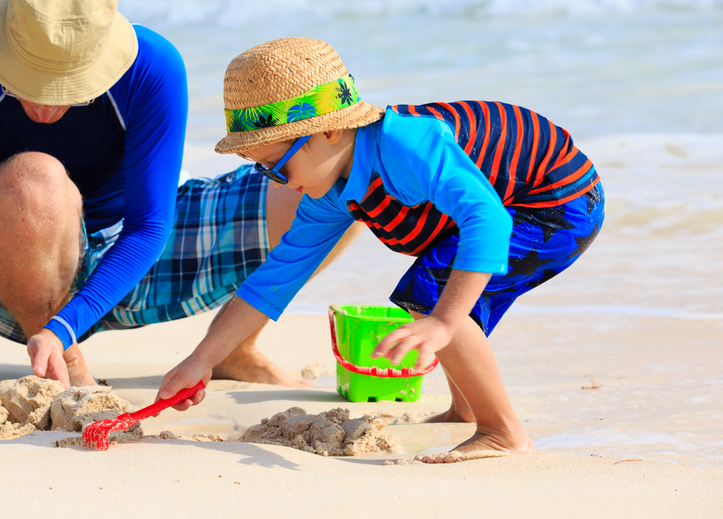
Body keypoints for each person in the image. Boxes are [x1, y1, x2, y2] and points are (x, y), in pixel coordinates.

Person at [0, 0, 356, 424]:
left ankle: (234, 346)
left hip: (130, 259)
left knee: (336, 181)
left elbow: (150, 225)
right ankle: (63, 361)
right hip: (9, 277)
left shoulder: (152, 66)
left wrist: (65, 321)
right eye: (30, 81)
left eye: (68, 87)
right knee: (36, 177)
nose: (46, 108)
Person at [156, 37, 605, 463]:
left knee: (432, 296)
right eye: (264, 170)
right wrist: (202, 358)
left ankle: (502, 433)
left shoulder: (406, 145)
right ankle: (465, 409)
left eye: (278, 166)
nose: (278, 182)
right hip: (506, 203)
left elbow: (486, 219)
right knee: (435, 281)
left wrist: (445, 322)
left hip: (556, 202)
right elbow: (274, 279)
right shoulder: (329, 192)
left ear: (329, 132)